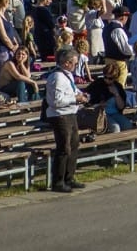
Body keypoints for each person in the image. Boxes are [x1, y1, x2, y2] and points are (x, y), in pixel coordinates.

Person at [46, 47, 89, 193]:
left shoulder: (67, 76)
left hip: (71, 113)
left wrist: (82, 95)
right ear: (66, 63)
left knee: (74, 145)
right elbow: (56, 101)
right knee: (64, 147)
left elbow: (73, 90)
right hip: (60, 115)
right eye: (74, 63)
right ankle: (58, 181)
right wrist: (75, 98)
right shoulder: (56, 77)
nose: (75, 66)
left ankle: (69, 177)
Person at [85, 61, 133, 132]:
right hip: (101, 114)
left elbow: (121, 107)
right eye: (105, 77)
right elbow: (88, 101)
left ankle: (125, 142)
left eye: (110, 78)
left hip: (115, 113)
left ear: (115, 78)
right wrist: (98, 104)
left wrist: (116, 94)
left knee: (128, 125)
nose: (107, 80)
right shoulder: (97, 84)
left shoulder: (118, 87)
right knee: (115, 128)